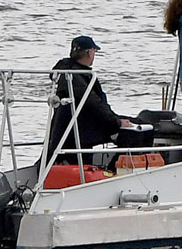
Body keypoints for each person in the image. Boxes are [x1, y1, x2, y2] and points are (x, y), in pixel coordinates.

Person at [49, 35, 138, 163]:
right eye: (94, 51)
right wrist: (117, 122)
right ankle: (117, 169)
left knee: (131, 126)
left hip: (72, 128)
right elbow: (95, 104)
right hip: (84, 129)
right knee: (139, 130)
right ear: (90, 53)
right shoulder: (77, 77)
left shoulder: (64, 73)